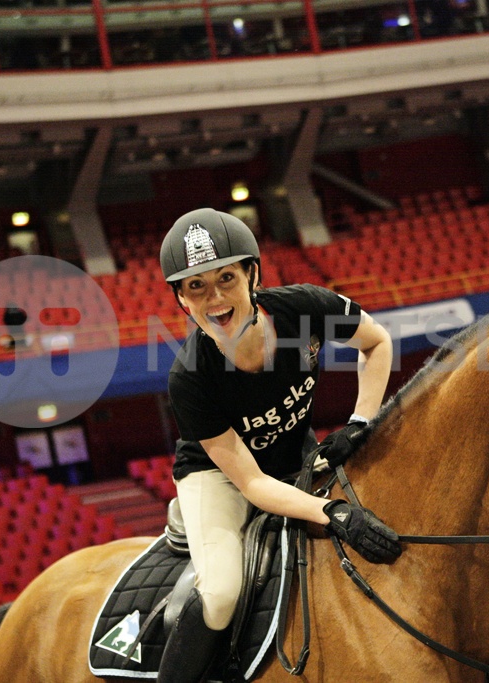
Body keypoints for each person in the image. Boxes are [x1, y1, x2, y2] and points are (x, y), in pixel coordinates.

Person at [157, 208, 401, 682]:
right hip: (220, 479)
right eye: (196, 287)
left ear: (253, 273)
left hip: (298, 455)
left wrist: (359, 422)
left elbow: (377, 343)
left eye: (226, 277)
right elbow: (250, 481)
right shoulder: (189, 377)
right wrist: (330, 512)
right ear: (182, 301)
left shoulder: (303, 309)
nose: (215, 298)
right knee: (223, 591)